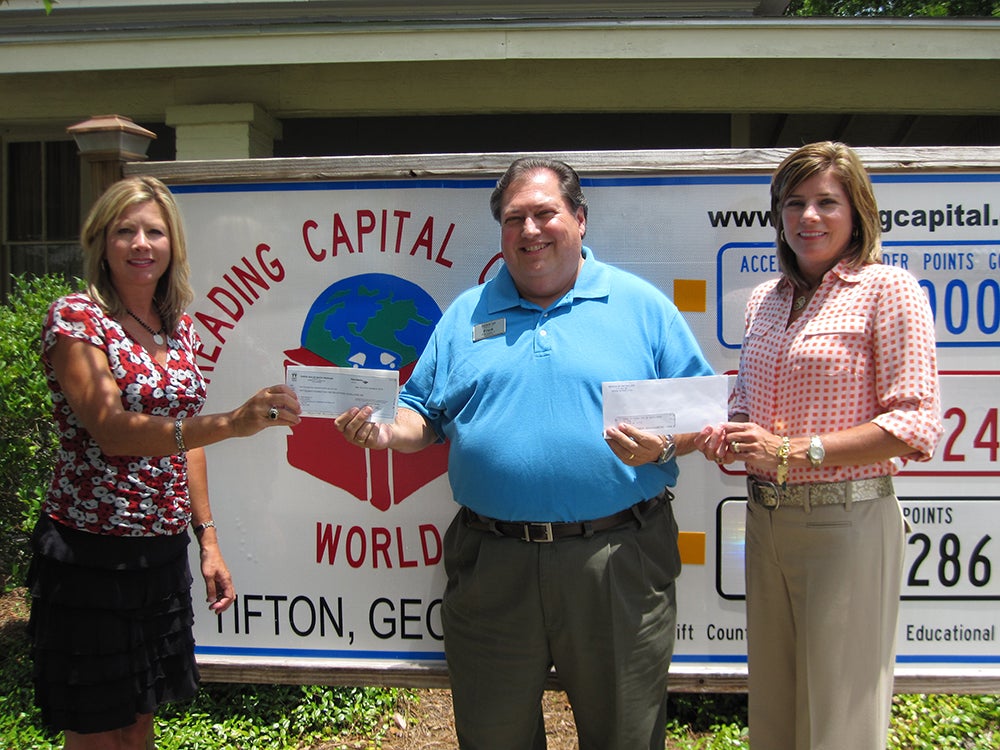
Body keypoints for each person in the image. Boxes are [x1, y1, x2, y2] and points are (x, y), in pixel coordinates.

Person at [335, 157, 714, 749]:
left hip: (616, 560)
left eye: (546, 213)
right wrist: (384, 431)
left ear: (580, 219)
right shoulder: (466, 314)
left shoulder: (642, 307)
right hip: (493, 563)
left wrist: (666, 443)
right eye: (515, 219)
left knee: (626, 738)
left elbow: (704, 415)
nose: (531, 231)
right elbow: (421, 414)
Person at [27, 175, 301, 750]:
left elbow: (184, 440)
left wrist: (207, 540)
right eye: (125, 231)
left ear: (172, 244)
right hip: (89, 554)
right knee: (97, 728)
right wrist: (231, 422)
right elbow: (112, 430)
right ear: (101, 242)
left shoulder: (172, 327)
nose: (140, 243)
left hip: (158, 551)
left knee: (140, 723)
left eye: (154, 231)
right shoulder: (76, 319)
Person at [695, 142, 943, 750]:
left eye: (826, 202)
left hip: (847, 521)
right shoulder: (764, 300)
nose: (809, 217)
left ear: (857, 211)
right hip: (766, 522)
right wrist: (723, 435)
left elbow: (915, 425)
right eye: (794, 203)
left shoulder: (889, 289)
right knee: (775, 719)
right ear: (777, 215)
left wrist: (793, 450)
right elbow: (748, 407)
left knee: (841, 724)